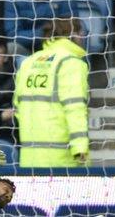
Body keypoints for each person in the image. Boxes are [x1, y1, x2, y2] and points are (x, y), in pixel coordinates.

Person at [13, 17, 89, 167]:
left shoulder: (28, 62)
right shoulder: (71, 63)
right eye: (81, 33)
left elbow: (17, 108)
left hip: (29, 156)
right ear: (74, 34)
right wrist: (80, 147)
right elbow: (75, 108)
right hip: (62, 158)